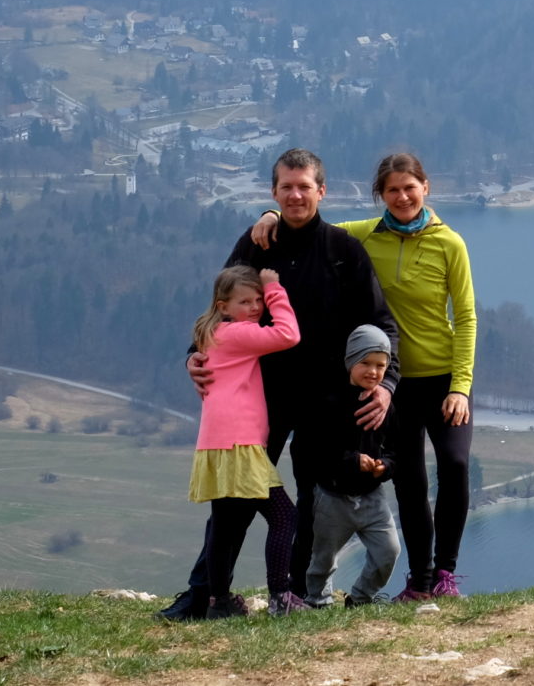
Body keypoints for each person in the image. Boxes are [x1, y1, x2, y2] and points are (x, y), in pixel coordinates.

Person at [157, 148, 401, 620]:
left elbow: (382, 323)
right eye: (285, 187)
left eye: (304, 187)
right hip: (259, 398)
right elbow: (220, 307)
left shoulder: (343, 251)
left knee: (313, 503)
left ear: (321, 191)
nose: (294, 195)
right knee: (233, 503)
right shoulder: (255, 244)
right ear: (273, 192)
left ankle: (292, 595)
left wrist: (386, 383)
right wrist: (195, 358)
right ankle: (203, 593)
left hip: (326, 398)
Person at [251, 151, 476, 599]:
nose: (402, 196)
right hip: (394, 382)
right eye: (392, 190)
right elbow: (311, 223)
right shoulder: (363, 235)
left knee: (454, 465)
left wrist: (461, 387)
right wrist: (272, 212)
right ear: (380, 195)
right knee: (411, 482)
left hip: (443, 377)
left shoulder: (450, 242)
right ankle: (420, 580)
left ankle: (445, 573)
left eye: (410, 188)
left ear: (425, 188)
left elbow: (466, 317)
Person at [185, 266, 299, 619]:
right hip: (240, 442)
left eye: (258, 301)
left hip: (217, 441)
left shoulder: (212, 333)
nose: (255, 307)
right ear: (223, 305)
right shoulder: (239, 334)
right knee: (284, 516)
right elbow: (287, 335)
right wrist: (275, 289)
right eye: (245, 301)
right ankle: (281, 597)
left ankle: (218, 603)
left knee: (225, 525)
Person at [301, 325, 401, 607]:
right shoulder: (329, 401)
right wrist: (352, 461)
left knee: (389, 551)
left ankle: (360, 598)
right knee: (324, 557)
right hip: (333, 497)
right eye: (365, 363)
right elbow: (316, 450)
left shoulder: (384, 405)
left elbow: (396, 449)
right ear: (350, 362)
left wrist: (386, 466)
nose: (373, 371)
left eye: (381, 365)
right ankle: (318, 600)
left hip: (372, 497)